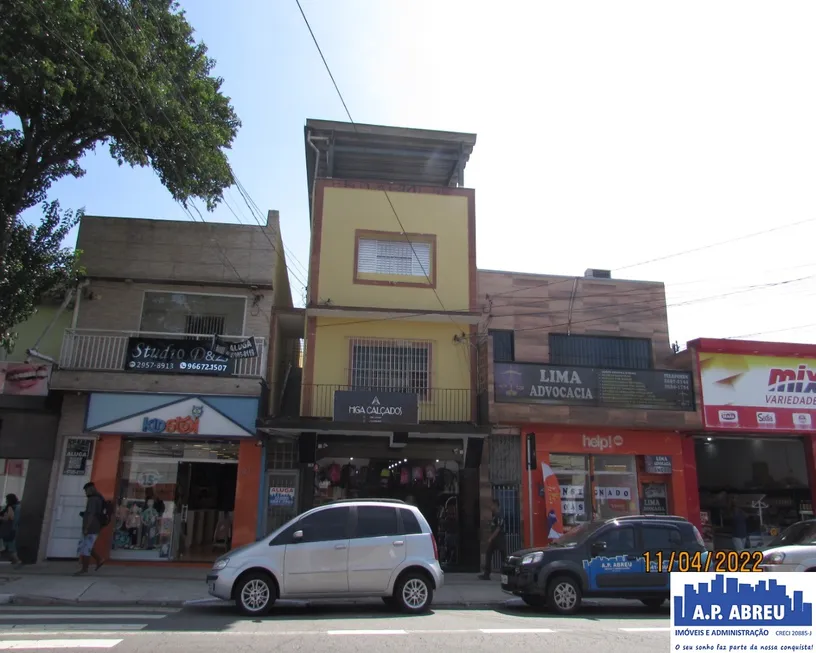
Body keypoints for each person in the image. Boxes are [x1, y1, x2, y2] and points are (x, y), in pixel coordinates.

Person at [75, 482, 106, 575]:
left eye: (85, 491)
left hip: (91, 527)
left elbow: (91, 514)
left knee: (86, 548)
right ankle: (99, 559)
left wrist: (86, 528)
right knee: (87, 546)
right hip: (95, 526)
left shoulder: (93, 499)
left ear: (89, 490)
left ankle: (84, 569)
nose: (85, 493)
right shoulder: (99, 498)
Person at [478, 499, 506, 580]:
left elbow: (498, 528)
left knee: (503, 556)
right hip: (495, 539)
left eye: (492, 505)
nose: (491, 507)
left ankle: (505, 574)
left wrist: (491, 537)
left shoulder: (499, 515)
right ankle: (487, 574)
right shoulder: (495, 515)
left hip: (500, 538)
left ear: (496, 505)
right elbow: (494, 526)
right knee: (489, 553)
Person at [1, 493, 22, 566]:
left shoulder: (11, 507)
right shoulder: (18, 507)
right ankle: (14, 560)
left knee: (10, 545)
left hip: (8, 528)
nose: (6, 501)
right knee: (10, 545)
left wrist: (2, 518)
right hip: (14, 528)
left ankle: (16, 560)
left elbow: (11, 517)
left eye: (6, 500)